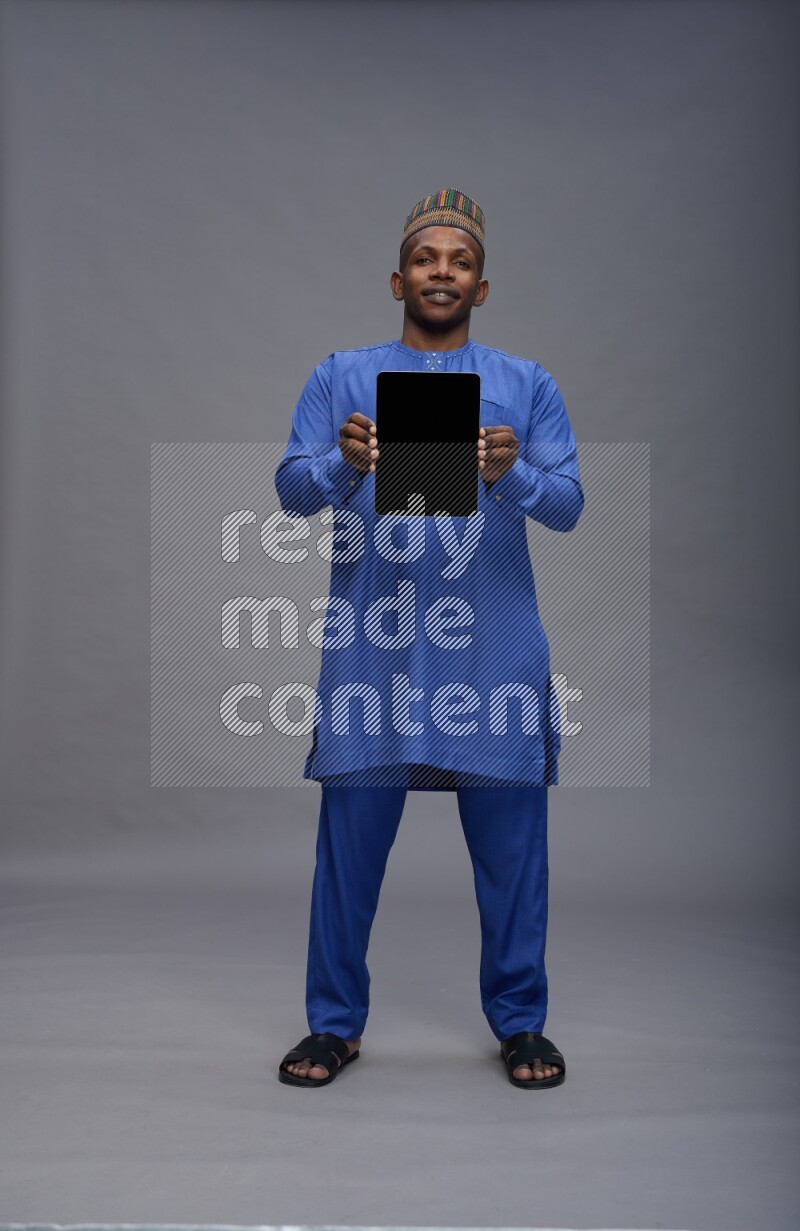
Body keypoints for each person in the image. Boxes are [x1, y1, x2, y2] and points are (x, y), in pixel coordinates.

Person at [274, 188, 583, 1088]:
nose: (441, 271)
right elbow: (293, 489)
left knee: (514, 851)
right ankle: (333, 1024)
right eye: (425, 258)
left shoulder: (527, 384)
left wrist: (512, 473)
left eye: (459, 260)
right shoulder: (342, 375)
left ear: (481, 285)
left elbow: (569, 507)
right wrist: (346, 464)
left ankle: (522, 1022)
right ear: (397, 277)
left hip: (490, 649)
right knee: (348, 849)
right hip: (378, 648)